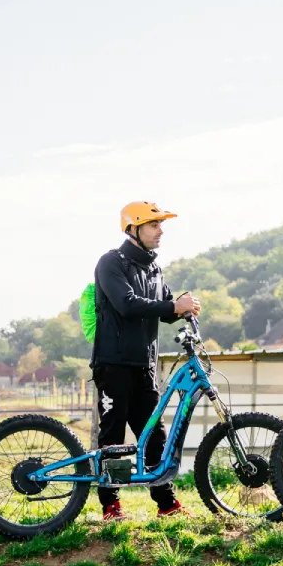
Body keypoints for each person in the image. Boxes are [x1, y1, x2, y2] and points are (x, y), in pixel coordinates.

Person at [90, 201, 201, 520]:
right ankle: (111, 506)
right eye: (154, 224)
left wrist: (185, 307)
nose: (161, 230)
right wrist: (172, 308)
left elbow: (165, 307)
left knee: (155, 436)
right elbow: (126, 304)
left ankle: (166, 504)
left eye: (161, 224)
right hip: (113, 365)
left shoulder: (154, 269)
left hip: (144, 366)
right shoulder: (111, 262)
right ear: (133, 229)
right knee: (112, 438)